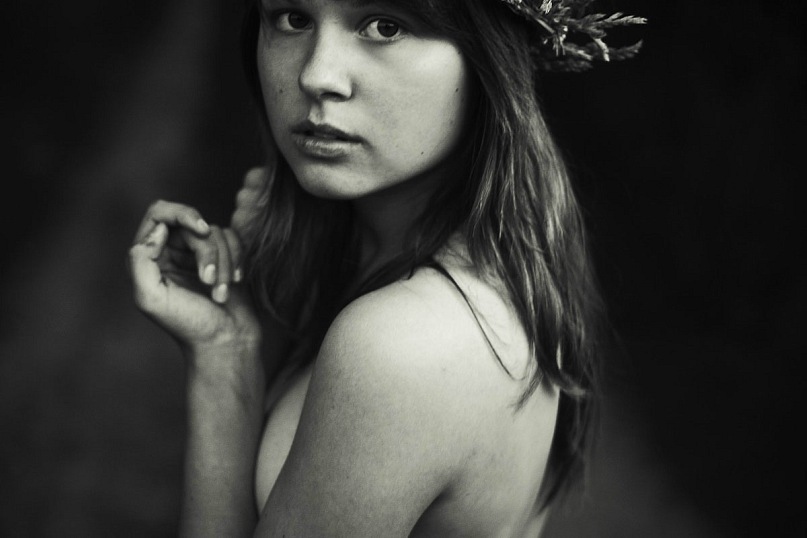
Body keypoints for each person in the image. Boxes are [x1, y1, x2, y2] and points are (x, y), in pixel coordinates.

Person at [128, 0, 645, 535]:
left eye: (385, 26)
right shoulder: (495, 265)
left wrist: (225, 372)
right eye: (293, 19)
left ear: (487, 59)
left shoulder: (402, 344)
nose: (316, 76)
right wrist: (229, 346)